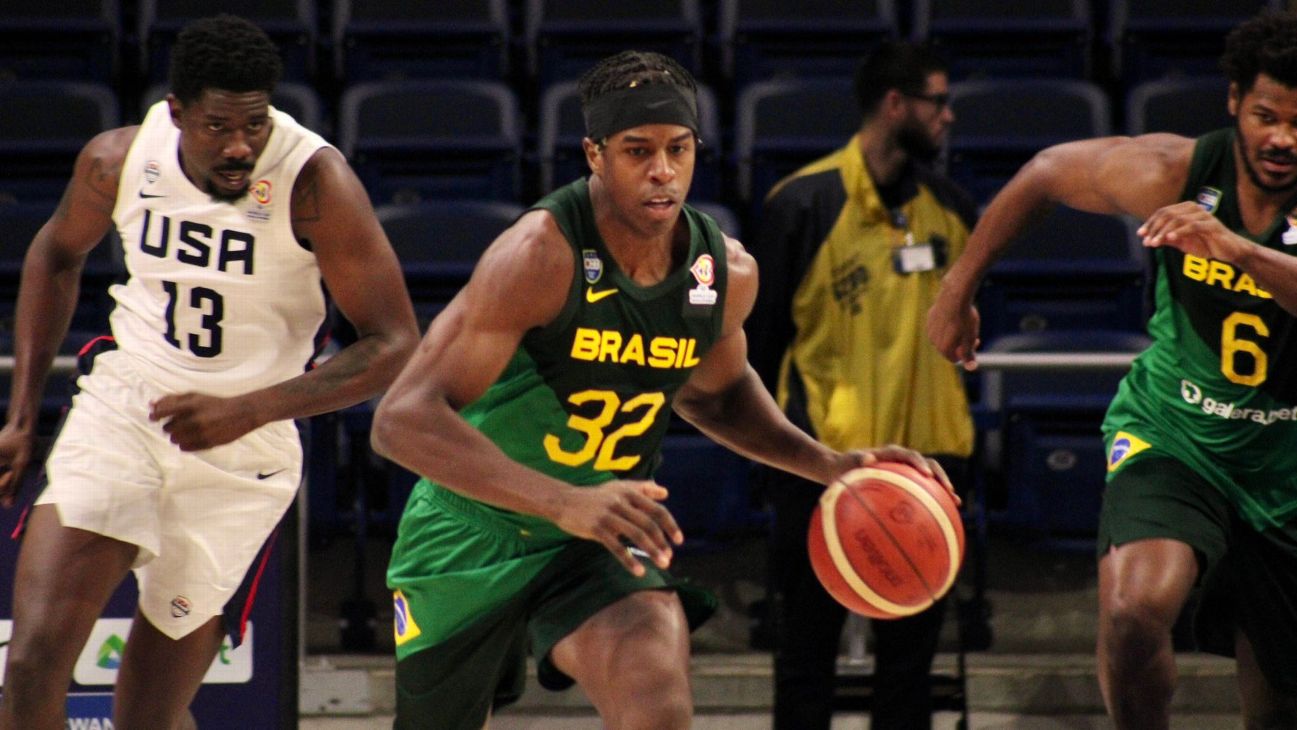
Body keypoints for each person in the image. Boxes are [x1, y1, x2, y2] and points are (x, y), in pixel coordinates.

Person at [369, 49, 952, 730]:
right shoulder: (538, 255)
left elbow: (717, 395)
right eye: (636, 150)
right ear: (594, 154)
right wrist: (563, 501)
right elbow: (401, 422)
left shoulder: (723, 271)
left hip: (599, 537)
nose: (662, 171)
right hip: (474, 528)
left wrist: (827, 465)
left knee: (657, 704)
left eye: (678, 149)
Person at [0, 14, 419, 730]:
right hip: (127, 409)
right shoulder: (118, 161)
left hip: (245, 447)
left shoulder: (313, 182)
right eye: (218, 127)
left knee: (150, 715)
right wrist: (19, 416)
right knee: (34, 663)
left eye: (253, 125)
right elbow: (53, 254)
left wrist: (251, 409)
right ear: (176, 114)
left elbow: (393, 342)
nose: (238, 147)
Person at [927, 10, 1297, 729]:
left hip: (1283, 461)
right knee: (1133, 610)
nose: (1281, 139)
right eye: (1264, 115)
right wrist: (956, 289)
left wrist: (1236, 249)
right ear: (1232, 103)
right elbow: (1044, 173)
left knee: (1278, 706)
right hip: (1175, 434)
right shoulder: (1175, 169)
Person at [745, 41, 975, 730]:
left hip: (928, 471)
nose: (948, 116)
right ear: (895, 104)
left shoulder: (954, 209)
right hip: (821, 468)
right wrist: (777, 457)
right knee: (804, 657)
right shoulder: (801, 204)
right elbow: (758, 350)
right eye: (937, 101)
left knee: (909, 671)